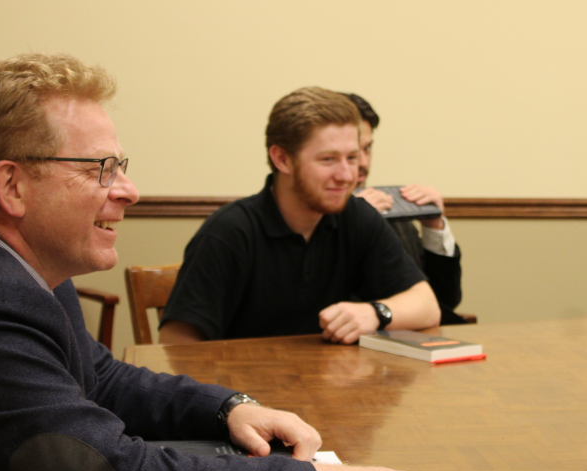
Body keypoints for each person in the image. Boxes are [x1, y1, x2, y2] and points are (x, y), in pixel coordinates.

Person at [0, 54, 465, 471]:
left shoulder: (12, 263)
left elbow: (100, 379)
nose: (129, 190)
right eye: (100, 168)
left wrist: (228, 409)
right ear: (12, 186)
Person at [159, 87, 440, 345]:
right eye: (328, 159)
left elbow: (428, 306)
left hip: (336, 391)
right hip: (244, 394)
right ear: (282, 159)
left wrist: (375, 313)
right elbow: (174, 348)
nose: (346, 176)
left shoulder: (356, 217)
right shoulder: (229, 232)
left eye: (352, 158)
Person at [346, 93, 466, 325]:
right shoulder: (310, 218)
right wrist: (355, 221)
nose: (362, 162)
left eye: (367, 148)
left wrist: (434, 228)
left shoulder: (392, 210)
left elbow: (444, 300)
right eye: (352, 152)